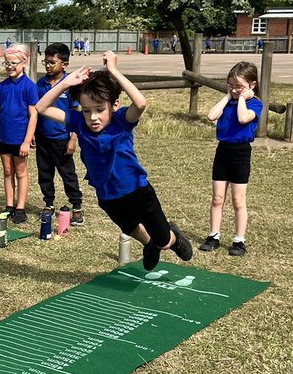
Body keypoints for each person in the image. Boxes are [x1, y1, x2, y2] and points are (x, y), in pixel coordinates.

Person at [35, 53, 193, 270]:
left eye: (100, 110)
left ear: (114, 105)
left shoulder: (121, 122)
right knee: (130, 229)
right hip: (108, 197)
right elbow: (41, 107)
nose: (93, 118)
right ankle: (149, 245)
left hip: (139, 192)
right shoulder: (79, 122)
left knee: (164, 241)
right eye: (87, 110)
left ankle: (171, 238)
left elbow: (140, 102)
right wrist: (66, 83)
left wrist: (114, 71)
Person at [198, 62, 263, 258]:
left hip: (240, 153)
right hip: (223, 151)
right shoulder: (229, 100)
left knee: (238, 200)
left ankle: (239, 240)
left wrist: (243, 97)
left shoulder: (255, 104)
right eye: (231, 85)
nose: (235, 90)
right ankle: (213, 236)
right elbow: (211, 116)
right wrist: (227, 96)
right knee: (217, 198)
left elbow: (243, 119)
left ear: (252, 85)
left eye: (239, 86)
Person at [35, 43, 84, 226]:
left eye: (52, 62)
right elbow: (36, 111)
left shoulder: (71, 85)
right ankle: (48, 203)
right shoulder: (40, 84)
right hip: (42, 138)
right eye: (45, 62)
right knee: (44, 173)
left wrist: (73, 139)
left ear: (64, 64)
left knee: (68, 174)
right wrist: (32, 133)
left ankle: (77, 207)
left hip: (62, 139)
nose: (48, 66)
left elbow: (76, 112)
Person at [0, 44, 38, 224]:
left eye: (14, 63)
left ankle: (20, 208)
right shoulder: (2, 86)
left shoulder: (29, 87)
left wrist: (26, 141)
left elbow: (33, 115)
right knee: (7, 171)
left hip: (19, 139)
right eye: (6, 63)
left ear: (24, 63)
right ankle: (9, 206)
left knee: (21, 172)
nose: (10, 66)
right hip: (4, 137)